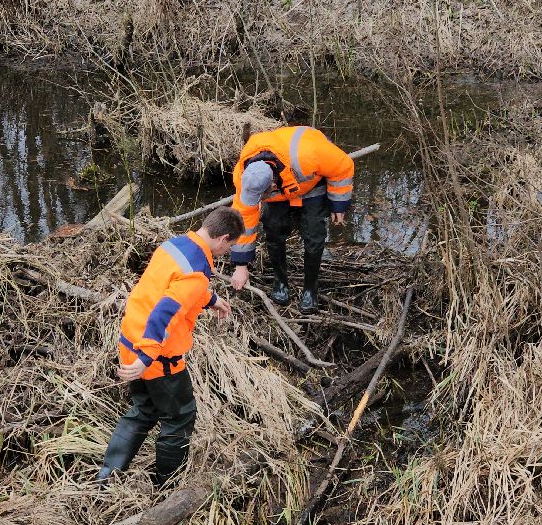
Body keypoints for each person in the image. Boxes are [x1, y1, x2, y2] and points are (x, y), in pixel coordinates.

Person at [96, 207, 244, 487]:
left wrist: (211, 300)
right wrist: (148, 356)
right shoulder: (197, 270)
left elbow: (167, 287)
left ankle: (107, 476)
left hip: (130, 339)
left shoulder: (174, 245)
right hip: (157, 356)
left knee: (144, 410)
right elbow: (166, 311)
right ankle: (167, 486)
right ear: (223, 238)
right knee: (180, 416)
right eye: (231, 246)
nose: (227, 252)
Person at [229, 125, 354, 313]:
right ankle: (281, 283)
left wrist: (339, 203)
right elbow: (245, 220)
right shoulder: (245, 178)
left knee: (314, 235)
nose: (258, 202)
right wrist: (241, 265)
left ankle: (310, 289)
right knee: (273, 229)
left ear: (271, 185)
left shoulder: (311, 153)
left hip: (311, 182)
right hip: (282, 191)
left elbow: (343, 166)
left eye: (261, 197)